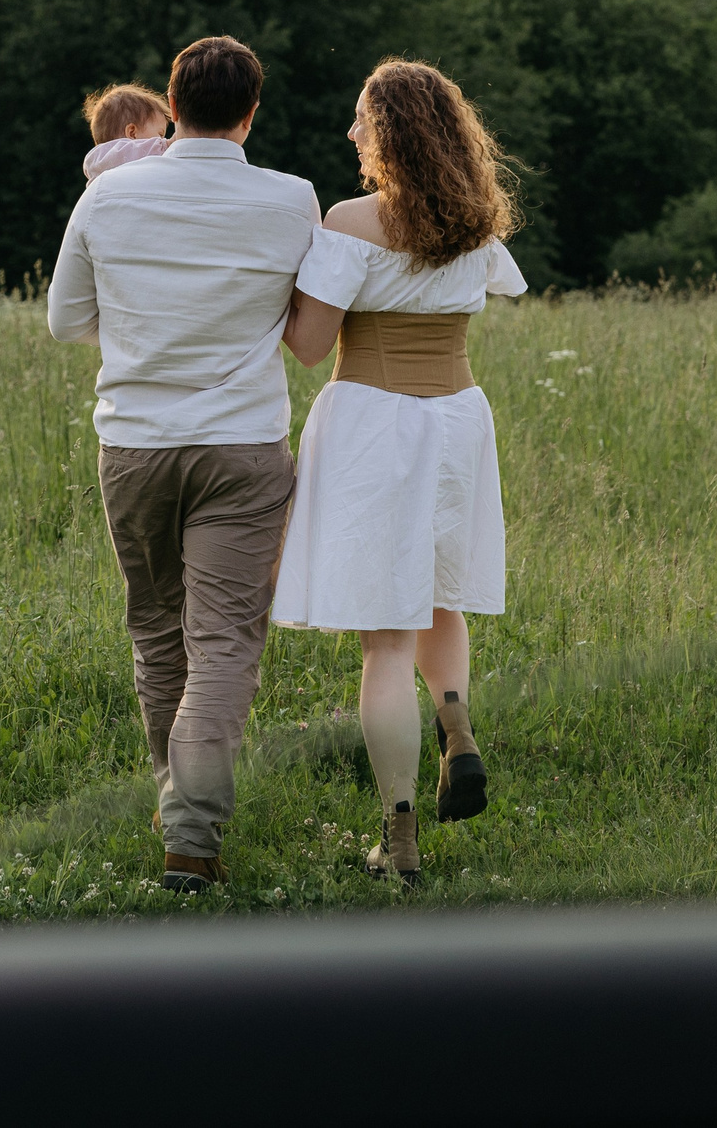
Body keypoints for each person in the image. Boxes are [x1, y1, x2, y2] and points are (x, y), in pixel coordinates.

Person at [48, 36, 320, 892]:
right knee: (224, 641)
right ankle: (190, 835)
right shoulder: (294, 198)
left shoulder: (107, 194)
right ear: (251, 114)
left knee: (158, 634)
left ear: (172, 105)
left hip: (135, 445)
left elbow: (65, 320)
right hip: (242, 447)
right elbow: (304, 319)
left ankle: (181, 817)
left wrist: (143, 327)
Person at [274, 59, 527, 886]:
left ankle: (400, 832)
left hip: (374, 423)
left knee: (385, 639)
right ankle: (456, 725)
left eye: (361, 119)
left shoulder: (351, 221)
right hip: (456, 418)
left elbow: (310, 347)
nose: (351, 132)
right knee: (440, 594)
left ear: (390, 131)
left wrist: (279, 290)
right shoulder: (477, 222)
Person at [80, 83, 171, 183]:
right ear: (132, 133)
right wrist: (172, 142)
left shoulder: (96, 162)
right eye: (160, 134)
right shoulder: (124, 153)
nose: (162, 140)